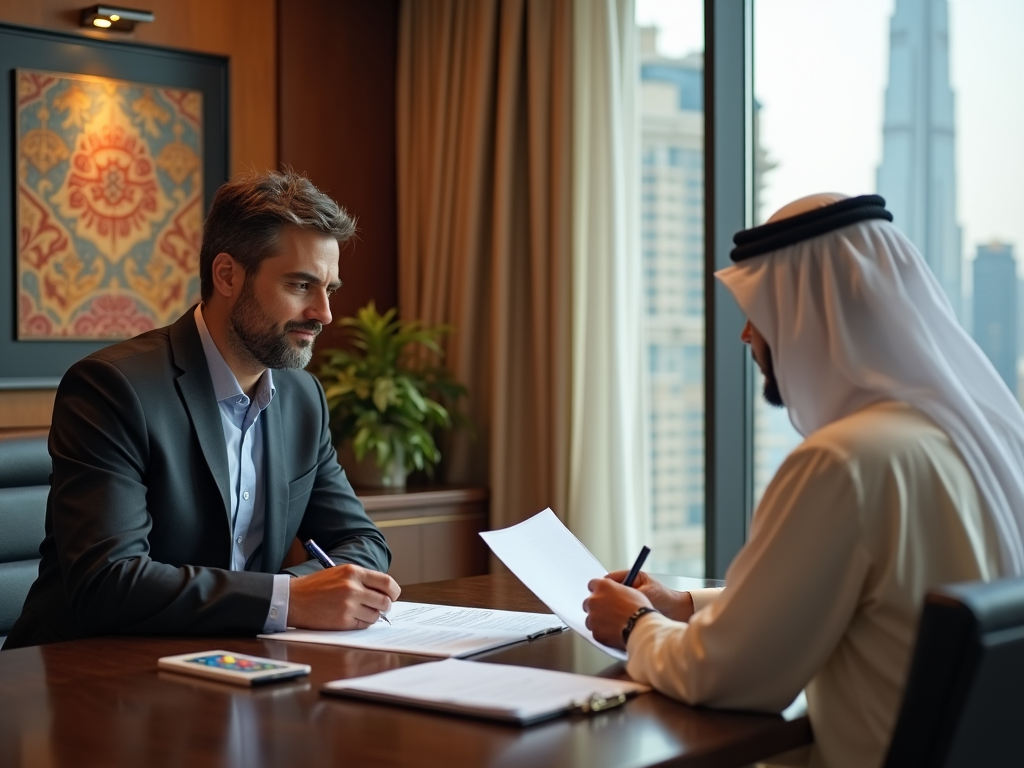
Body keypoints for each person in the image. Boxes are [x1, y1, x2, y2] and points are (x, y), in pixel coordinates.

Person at [584, 193, 1024, 768]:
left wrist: (636, 625)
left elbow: (724, 676)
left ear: (807, 312)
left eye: (757, 309)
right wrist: (682, 604)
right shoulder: (978, 436)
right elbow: (866, 599)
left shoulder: (843, 461)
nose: (746, 335)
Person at [5, 170, 399, 649]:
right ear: (227, 275)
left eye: (329, 289)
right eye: (300, 286)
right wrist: (290, 598)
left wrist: (304, 593)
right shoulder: (113, 388)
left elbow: (364, 542)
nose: (324, 313)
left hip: (229, 659)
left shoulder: (303, 400)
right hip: (87, 673)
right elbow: (107, 582)